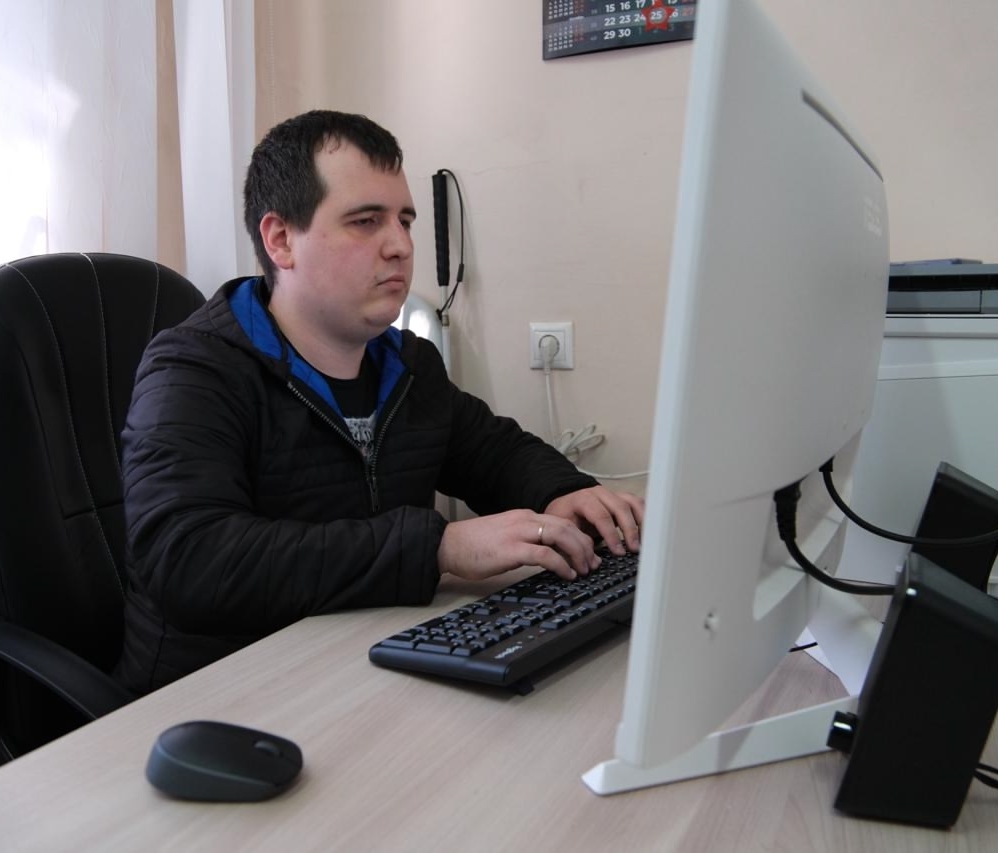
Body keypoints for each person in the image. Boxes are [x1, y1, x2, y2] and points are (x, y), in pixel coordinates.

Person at [114, 110, 644, 695]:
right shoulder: (193, 370)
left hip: (358, 672)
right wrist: (439, 547)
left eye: (405, 221)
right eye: (366, 222)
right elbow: (189, 560)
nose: (399, 246)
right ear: (281, 240)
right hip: (215, 698)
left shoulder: (406, 363)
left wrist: (563, 493)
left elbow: (494, 452)